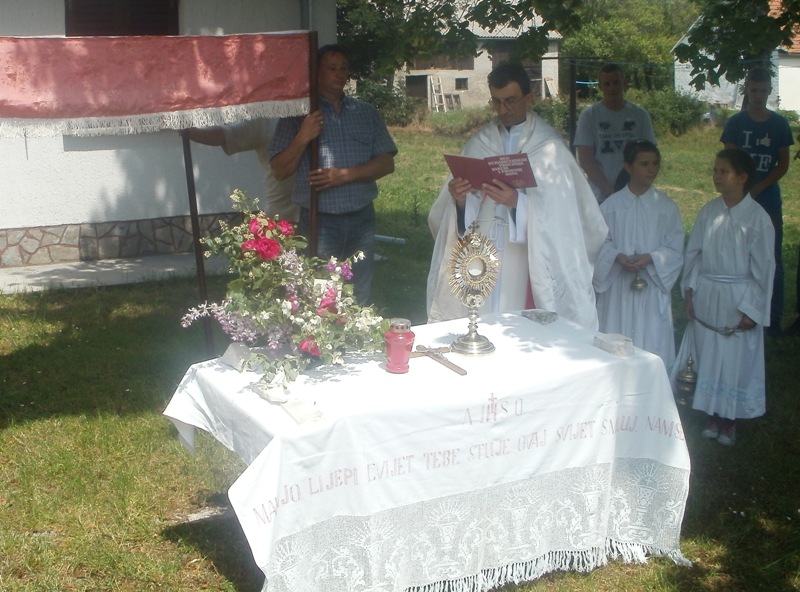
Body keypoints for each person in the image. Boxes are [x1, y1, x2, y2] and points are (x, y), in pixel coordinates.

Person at [426, 63, 608, 330]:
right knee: (482, 323)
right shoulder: (480, 143)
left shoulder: (550, 150)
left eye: (510, 101)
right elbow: (451, 218)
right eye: (497, 102)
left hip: (525, 258)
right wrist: (462, 200)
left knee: (519, 327)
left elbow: (566, 218)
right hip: (483, 255)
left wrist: (517, 204)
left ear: (529, 98)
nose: (503, 110)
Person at [269, 45, 397, 305]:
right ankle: (323, 343)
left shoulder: (366, 114)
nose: (339, 74)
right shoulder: (298, 116)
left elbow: (386, 163)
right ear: (316, 73)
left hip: (361, 218)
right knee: (322, 291)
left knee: (359, 288)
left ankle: (358, 338)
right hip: (320, 220)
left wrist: (345, 175)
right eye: (332, 68)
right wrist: (303, 136)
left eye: (343, 68)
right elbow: (280, 169)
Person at [672, 148, 775, 447]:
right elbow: (694, 255)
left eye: (724, 171)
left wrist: (752, 309)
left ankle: (729, 418)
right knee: (710, 353)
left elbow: (764, 269)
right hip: (708, 293)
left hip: (737, 297)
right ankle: (712, 413)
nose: (716, 176)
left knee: (733, 358)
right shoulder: (709, 211)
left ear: (742, 177)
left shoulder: (756, 218)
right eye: (715, 170)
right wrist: (690, 291)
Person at [593, 140, 684, 368]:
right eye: (644, 164)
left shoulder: (666, 207)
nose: (651, 169)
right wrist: (616, 256)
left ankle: (651, 387)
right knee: (616, 333)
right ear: (628, 167)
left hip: (651, 288)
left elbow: (675, 247)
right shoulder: (610, 206)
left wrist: (651, 257)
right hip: (618, 289)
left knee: (651, 337)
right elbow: (598, 242)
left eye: (655, 164)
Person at [721, 66, 794, 336]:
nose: (758, 95)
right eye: (753, 90)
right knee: (736, 250)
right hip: (738, 195)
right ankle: (737, 307)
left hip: (767, 196)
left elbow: (783, 164)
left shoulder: (778, 124)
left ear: (769, 91)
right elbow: (729, 161)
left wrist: (759, 187)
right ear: (747, 90)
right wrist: (740, 190)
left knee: (771, 256)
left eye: (763, 91)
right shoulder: (736, 124)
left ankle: (771, 319)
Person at [574, 63, 657, 203]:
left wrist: (634, 188)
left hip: (635, 193)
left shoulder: (640, 115)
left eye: (616, 82)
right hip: (600, 195)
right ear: (600, 87)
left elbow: (650, 157)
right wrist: (609, 189)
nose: (612, 88)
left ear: (624, 83)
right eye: (607, 84)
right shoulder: (589, 116)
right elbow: (586, 160)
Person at [187, 119, 299, 222]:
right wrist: (192, 132)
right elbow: (227, 134)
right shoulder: (266, 120)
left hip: (314, 211)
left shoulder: (314, 112)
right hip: (282, 216)